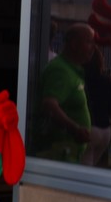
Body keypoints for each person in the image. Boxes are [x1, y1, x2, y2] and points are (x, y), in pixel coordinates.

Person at [35, 22, 96, 162]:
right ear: (74, 44)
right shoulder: (60, 70)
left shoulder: (71, 69)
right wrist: (75, 129)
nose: (93, 47)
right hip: (59, 154)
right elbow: (49, 105)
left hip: (69, 153)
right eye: (89, 42)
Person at [83, 45, 111, 166]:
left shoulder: (82, 80)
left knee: (84, 166)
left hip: (89, 129)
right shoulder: (106, 81)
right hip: (105, 131)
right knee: (92, 164)